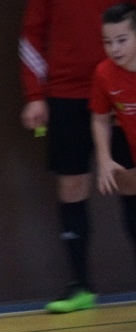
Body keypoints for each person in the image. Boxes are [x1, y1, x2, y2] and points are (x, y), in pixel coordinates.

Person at [19, 0, 135, 313]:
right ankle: (80, 286)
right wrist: (35, 96)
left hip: (120, 88)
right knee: (71, 186)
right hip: (66, 93)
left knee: (129, 181)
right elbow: (31, 35)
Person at [92, 2, 136, 257]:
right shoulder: (104, 73)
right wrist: (104, 159)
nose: (114, 49)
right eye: (107, 42)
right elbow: (99, 119)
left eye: (122, 40)